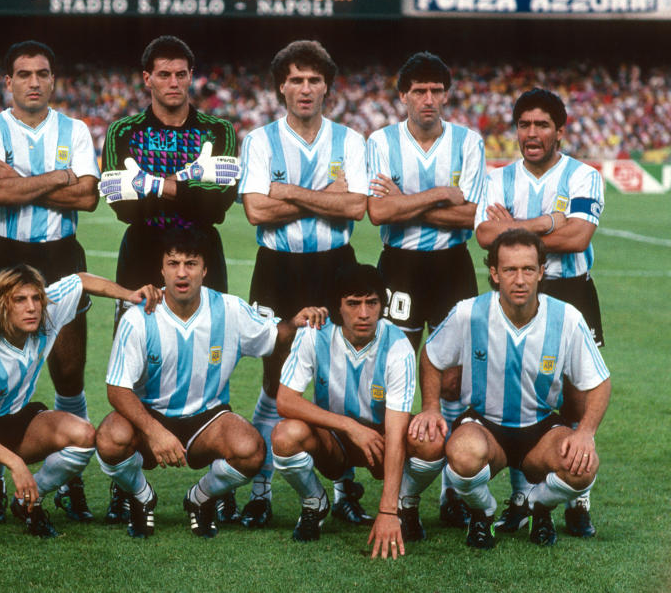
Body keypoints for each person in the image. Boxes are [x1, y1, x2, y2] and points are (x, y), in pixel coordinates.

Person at [94, 229, 327, 539]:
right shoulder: (138, 317)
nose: (181, 272)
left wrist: (296, 323)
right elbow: (117, 389)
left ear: (205, 270)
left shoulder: (229, 309)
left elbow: (273, 335)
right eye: (173, 263)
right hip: (150, 417)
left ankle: (200, 499)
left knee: (251, 450)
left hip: (208, 420)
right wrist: (156, 432)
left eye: (191, 263)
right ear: (161, 269)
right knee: (110, 439)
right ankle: (140, 496)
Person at [98, 34, 241, 522]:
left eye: (182, 73)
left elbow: (220, 202)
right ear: (148, 79)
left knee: (212, 350)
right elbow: (119, 203)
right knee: (132, 360)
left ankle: (219, 472)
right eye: (164, 73)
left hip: (204, 252)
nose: (174, 82)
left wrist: (150, 184)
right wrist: (187, 182)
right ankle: (130, 477)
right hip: (141, 251)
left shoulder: (219, 130)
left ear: (191, 76)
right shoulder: (123, 132)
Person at [237, 40, 369, 528]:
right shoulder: (258, 141)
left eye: (314, 80)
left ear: (328, 88)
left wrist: (287, 192)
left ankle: (344, 488)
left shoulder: (351, 141)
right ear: (280, 88)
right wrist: (322, 197)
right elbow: (255, 209)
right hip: (278, 267)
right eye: (296, 79)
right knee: (274, 379)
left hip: (335, 267)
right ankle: (260, 490)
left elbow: (356, 207)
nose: (306, 88)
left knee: (338, 386)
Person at [412, 229, 610, 549]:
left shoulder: (567, 318)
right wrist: (431, 407)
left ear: (541, 272)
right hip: (485, 425)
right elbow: (432, 357)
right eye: (510, 270)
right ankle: (483, 512)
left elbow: (600, 382)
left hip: (541, 429)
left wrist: (585, 431)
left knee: (583, 469)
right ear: (495, 273)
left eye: (528, 269)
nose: (520, 279)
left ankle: (536, 506)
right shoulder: (469, 312)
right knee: (461, 456)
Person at [0, 40, 101, 525]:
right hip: (6, 254)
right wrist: (58, 178)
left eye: (42, 73)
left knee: (68, 372)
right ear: (8, 82)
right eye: (23, 74)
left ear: (53, 80)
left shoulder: (76, 129)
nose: (33, 82)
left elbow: (88, 199)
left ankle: (70, 479)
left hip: (60, 254)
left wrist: (22, 180)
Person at [0, 265, 161, 538]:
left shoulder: (44, 312)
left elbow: (81, 281)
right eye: (20, 300)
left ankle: (27, 500)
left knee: (83, 434)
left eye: (36, 298)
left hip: (17, 419)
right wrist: (16, 464)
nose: (32, 307)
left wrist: (129, 295)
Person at [474, 88, 605, 538]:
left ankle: (575, 498)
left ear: (559, 131)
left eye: (542, 125)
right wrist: (550, 221)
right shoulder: (496, 178)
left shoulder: (584, 176)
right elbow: (486, 237)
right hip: (513, 290)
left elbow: (578, 238)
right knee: (517, 390)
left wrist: (515, 226)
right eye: (525, 125)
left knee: (576, 396)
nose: (532, 133)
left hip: (570, 289)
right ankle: (521, 497)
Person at [367, 52, 487, 529]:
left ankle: (449, 489)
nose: (429, 99)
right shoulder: (380, 141)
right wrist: (440, 194)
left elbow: (472, 215)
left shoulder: (469, 142)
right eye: (419, 90)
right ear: (403, 96)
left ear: (447, 95)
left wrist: (404, 202)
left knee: (454, 377)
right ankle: (378, 485)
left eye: (437, 90)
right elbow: (378, 214)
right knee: (394, 367)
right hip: (399, 263)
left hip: (452, 264)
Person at [272, 264, 445, 557]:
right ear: (338, 306)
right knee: (284, 435)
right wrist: (350, 427)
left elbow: (396, 428)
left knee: (431, 440)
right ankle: (315, 502)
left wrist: (387, 511)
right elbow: (285, 401)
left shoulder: (398, 346)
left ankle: (406, 503)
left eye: (372, 303)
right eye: (353, 303)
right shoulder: (315, 334)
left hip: (381, 441)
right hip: (336, 441)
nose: (364, 313)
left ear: (382, 305)